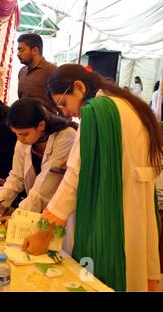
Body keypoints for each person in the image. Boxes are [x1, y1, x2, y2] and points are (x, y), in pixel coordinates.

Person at [22, 64, 162, 292]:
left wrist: (44, 232)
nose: (65, 112)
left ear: (79, 87)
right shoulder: (126, 104)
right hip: (137, 202)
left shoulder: (96, 110)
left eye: (65, 103)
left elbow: (75, 176)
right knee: (134, 267)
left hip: (114, 205)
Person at [0, 98, 76, 221]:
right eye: (16, 134)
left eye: (24, 134)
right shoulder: (24, 140)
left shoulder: (65, 137)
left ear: (41, 125)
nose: (19, 139)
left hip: (61, 210)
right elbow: (16, 176)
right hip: (38, 206)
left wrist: (18, 217)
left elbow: (45, 188)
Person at [17, 33, 57, 109]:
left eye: (22, 50)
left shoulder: (52, 70)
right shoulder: (22, 71)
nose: (18, 54)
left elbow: (62, 104)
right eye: (18, 51)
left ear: (35, 50)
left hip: (46, 120)